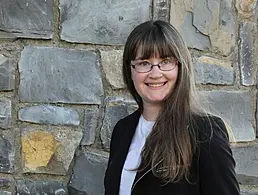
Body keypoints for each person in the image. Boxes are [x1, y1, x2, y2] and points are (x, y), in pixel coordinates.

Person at [104, 20, 240, 195]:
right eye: (144, 63)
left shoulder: (205, 133)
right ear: (130, 70)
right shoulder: (122, 130)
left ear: (180, 67)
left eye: (166, 61)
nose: (155, 73)